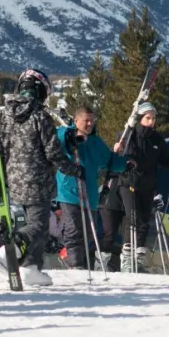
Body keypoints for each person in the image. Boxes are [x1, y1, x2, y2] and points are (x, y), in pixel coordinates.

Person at [0, 69, 82, 286]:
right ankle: (10, 250)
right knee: (37, 225)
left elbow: (1, 147)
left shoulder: (6, 115)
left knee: (39, 226)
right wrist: (73, 169)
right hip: (38, 179)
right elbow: (52, 152)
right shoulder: (39, 116)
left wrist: (5, 176)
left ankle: (31, 267)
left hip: (15, 179)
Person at [98, 103, 169, 273]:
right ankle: (126, 260)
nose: (151, 122)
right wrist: (117, 149)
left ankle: (138, 260)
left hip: (147, 184)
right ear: (140, 119)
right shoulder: (129, 134)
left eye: (153, 118)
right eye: (148, 118)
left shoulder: (157, 139)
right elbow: (118, 151)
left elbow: (165, 160)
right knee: (133, 218)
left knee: (144, 221)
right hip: (128, 182)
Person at [56, 105, 128, 271]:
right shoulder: (66, 135)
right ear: (76, 120)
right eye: (86, 120)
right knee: (74, 229)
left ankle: (73, 258)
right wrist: (71, 136)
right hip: (70, 192)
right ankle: (75, 264)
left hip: (90, 194)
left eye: (92, 120)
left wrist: (125, 163)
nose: (89, 124)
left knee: (89, 232)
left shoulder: (95, 142)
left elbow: (109, 161)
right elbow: (57, 139)